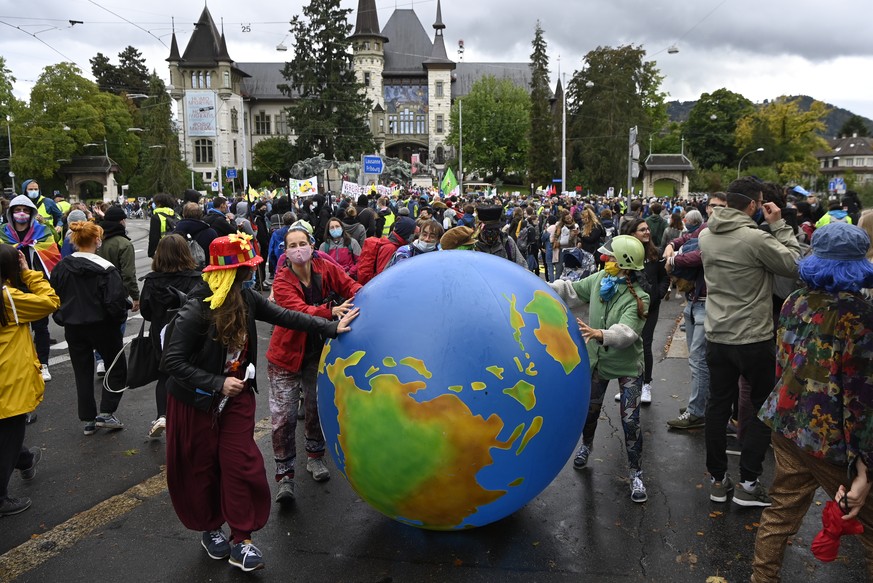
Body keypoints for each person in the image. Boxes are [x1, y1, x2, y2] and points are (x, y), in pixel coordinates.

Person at [161, 232, 358, 572]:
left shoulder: (247, 298)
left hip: (237, 399)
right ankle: (211, 528)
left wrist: (330, 327)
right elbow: (172, 363)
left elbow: (287, 316)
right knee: (203, 468)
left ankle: (242, 540)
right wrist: (217, 383)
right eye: (246, 269)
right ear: (229, 273)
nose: (252, 274)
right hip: (197, 403)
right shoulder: (196, 309)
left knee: (241, 464)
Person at [752, 222, 873, 582]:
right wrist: (865, 466)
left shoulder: (795, 300)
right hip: (833, 441)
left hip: (788, 424)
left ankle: (762, 578)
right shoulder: (861, 316)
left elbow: (784, 360)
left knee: (780, 512)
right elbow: (861, 397)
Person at [698, 177, 800, 507]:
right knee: (760, 407)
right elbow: (793, 264)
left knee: (717, 405)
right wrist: (780, 225)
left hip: (717, 335)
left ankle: (717, 480)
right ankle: (748, 482)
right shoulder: (755, 239)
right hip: (753, 337)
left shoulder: (705, 236)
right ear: (754, 205)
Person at [549, 235, 651, 502]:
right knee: (590, 413)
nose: (604, 260)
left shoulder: (640, 297)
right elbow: (571, 290)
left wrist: (601, 334)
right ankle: (587, 445)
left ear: (625, 264)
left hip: (628, 365)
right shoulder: (598, 281)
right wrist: (540, 285)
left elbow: (627, 333)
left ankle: (636, 473)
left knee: (630, 422)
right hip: (597, 364)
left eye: (611, 257)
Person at [266, 221, 362, 503]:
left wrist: (364, 297)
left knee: (315, 408)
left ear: (311, 245)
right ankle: (285, 476)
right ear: (285, 251)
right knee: (282, 419)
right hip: (285, 357)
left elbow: (349, 285)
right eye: (292, 246)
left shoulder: (325, 267)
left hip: (316, 355)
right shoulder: (283, 280)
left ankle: (315, 457)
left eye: (302, 244)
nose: (298, 250)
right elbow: (300, 312)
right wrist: (331, 311)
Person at [51, 221, 130, 435]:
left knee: (82, 371)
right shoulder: (106, 269)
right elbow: (115, 303)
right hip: (103, 326)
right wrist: (118, 318)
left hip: (73, 327)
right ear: (97, 240)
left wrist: (62, 316)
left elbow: (54, 295)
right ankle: (106, 411)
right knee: (116, 368)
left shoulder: (62, 267)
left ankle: (88, 419)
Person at [0, 245, 60, 516]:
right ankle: (1, 498)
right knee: (10, 434)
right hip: (8, 380)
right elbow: (50, 302)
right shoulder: (8, 298)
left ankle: (24, 459)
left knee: (9, 436)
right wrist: (28, 273)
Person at [664, 192, 727, 430]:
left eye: (721, 206)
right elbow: (687, 238)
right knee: (696, 358)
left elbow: (700, 256)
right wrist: (671, 245)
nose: (715, 210)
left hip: (707, 302)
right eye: (712, 206)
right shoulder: (705, 229)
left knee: (699, 360)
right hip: (693, 301)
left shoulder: (724, 234)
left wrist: (674, 261)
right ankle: (699, 404)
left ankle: (697, 411)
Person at [139, 234, 207, 439]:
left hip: (161, 332)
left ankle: (163, 415)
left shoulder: (151, 280)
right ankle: (192, 415)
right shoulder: (196, 278)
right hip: (191, 332)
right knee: (191, 372)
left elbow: (145, 311)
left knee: (164, 374)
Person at [0, 195, 61, 383]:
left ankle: (43, 364)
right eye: (17, 210)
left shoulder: (42, 231)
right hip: (11, 286)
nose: (21, 214)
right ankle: (21, 363)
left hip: (35, 282)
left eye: (26, 210)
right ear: (11, 213)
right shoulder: (2, 232)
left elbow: (53, 252)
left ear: (32, 213)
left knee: (41, 327)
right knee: (17, 328)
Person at [616, 218, 669, 404]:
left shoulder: (656, 253)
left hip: (650, 307)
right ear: (632, 234)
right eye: (642, 230)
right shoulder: (623, 254)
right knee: (627, 343)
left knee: (645, 344)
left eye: (647, 229)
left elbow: (664, 277)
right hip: (628, 305)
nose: (647, 232)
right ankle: (629, 384)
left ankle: (646, 384)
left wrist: (659, 294)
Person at [147, 193, 179, 257]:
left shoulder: (156, 217)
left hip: (164, 248)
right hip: (178, 246)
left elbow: (154, 237)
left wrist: (151, 253)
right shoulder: (176, 215)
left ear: (159, 204)